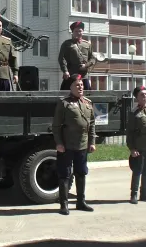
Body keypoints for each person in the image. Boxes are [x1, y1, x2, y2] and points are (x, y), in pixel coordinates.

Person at [52, 73, 96, 215]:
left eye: (82, 85)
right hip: (67, 145)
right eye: (77, 85)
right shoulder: (64, 103)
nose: (80, 87)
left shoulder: (88, 103)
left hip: (82, 145)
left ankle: (81, 202)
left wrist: (92, 142)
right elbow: (56, 125)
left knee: (81, 173)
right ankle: (64, 205)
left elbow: (92, 124)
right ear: (70, 87)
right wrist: (59, 143)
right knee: (65, 174)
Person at [58, 21, 96, 90]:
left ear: (83, 32)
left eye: (80, 31)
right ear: (72, 32)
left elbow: (93, 58)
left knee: (88, 95)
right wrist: (65, 71)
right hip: (71, 75)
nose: (78, 33)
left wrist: (86, 65)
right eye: (76, 31)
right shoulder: (66, 44)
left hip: (84, 76)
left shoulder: (87, 44)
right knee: (65, 94)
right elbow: (61, 58)